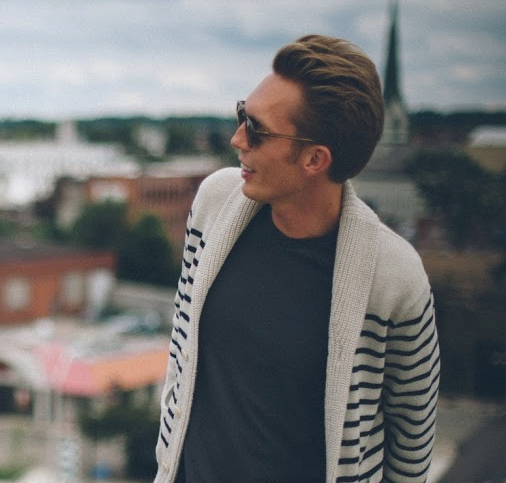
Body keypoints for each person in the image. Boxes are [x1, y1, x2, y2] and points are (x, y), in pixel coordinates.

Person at [154, 35, 440, 482]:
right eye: (242, 115)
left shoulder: (394, 276)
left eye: (257, 129)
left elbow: (413, 437)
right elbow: (182, 348)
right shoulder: (214, 203)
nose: (236, 139)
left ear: (314, 159)